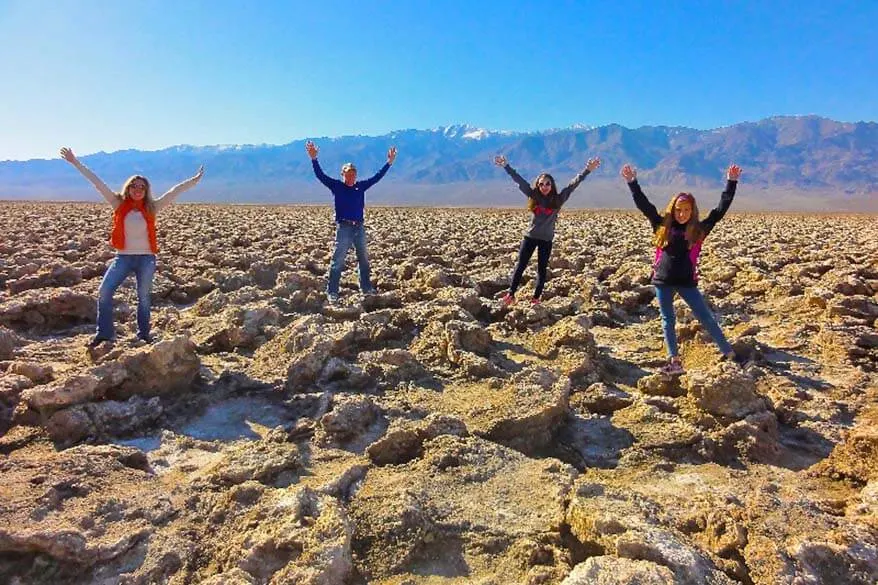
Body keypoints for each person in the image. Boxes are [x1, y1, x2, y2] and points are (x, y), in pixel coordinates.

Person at [60, 147, 204, 346]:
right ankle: (105, 333)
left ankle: (143, 334)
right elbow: (97, 182)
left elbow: (174, 192)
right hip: (123, 257)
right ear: (128, 188)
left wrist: (194, 181)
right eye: (134, 186)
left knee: (143, 297)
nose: (138, 189)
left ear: (146, 191)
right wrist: (75, 162)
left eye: (142, 187)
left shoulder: (152, 208)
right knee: (104, 292)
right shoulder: (118, 204)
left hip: (146, 259)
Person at [621, 162, 743, 375]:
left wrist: (731, 183)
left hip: (687, 282)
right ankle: (674, 361)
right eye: (678, 209)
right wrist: (633, 183)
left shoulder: (699, 230)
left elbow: (719, 210)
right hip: (663, 281)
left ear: (692, 211)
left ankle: (730, 354)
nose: (682, 214)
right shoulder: (662, 226)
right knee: (668, 321)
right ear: (673, 209)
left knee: (705, 317)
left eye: (686, 210)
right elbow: (644, 205)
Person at [494, 154, 601, 305]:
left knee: (541, 269)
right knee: (520, 265)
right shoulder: (533, 196)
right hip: (530, 237)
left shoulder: (558, 199)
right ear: (538, 185)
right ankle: (511, 294)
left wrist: (587, 170)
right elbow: (519, 181)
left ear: (552, 185)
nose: (544, 187)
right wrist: (506, 166)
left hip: (546, 240)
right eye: (541, 184)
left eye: (547, 184)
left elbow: (573, 184)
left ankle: (536, 299)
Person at [305, 140, 397, 303]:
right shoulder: (337, 186)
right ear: (342, 175)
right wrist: (314, 159)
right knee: (338, 260)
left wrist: (388, 163)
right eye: (347, 174)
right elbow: (320, 175)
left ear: (356, 175)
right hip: (344, 227)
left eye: (353, 174)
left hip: (359, 227)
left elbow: (377, 177)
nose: (350, 177)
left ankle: (366, 288)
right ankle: (332, 291)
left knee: (363, 259)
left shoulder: (361, 186)